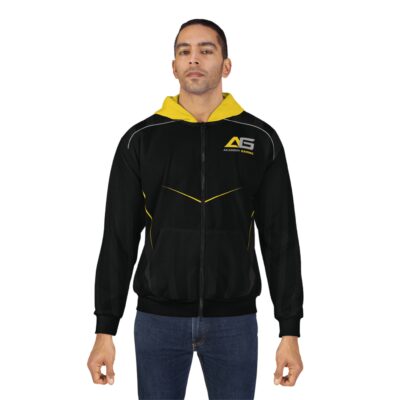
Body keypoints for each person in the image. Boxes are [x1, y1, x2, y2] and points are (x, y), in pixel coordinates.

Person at [87, 18, 304, 399]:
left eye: (206, 50)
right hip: (157, 321)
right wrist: (105, 328)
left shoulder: (259, 139)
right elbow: (118, 238)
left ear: (226, 65)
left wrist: (290, 331)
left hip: (234, 322)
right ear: (173, 66)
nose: (194, 59)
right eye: (184, 51)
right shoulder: (141, 141)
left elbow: (281, 238)